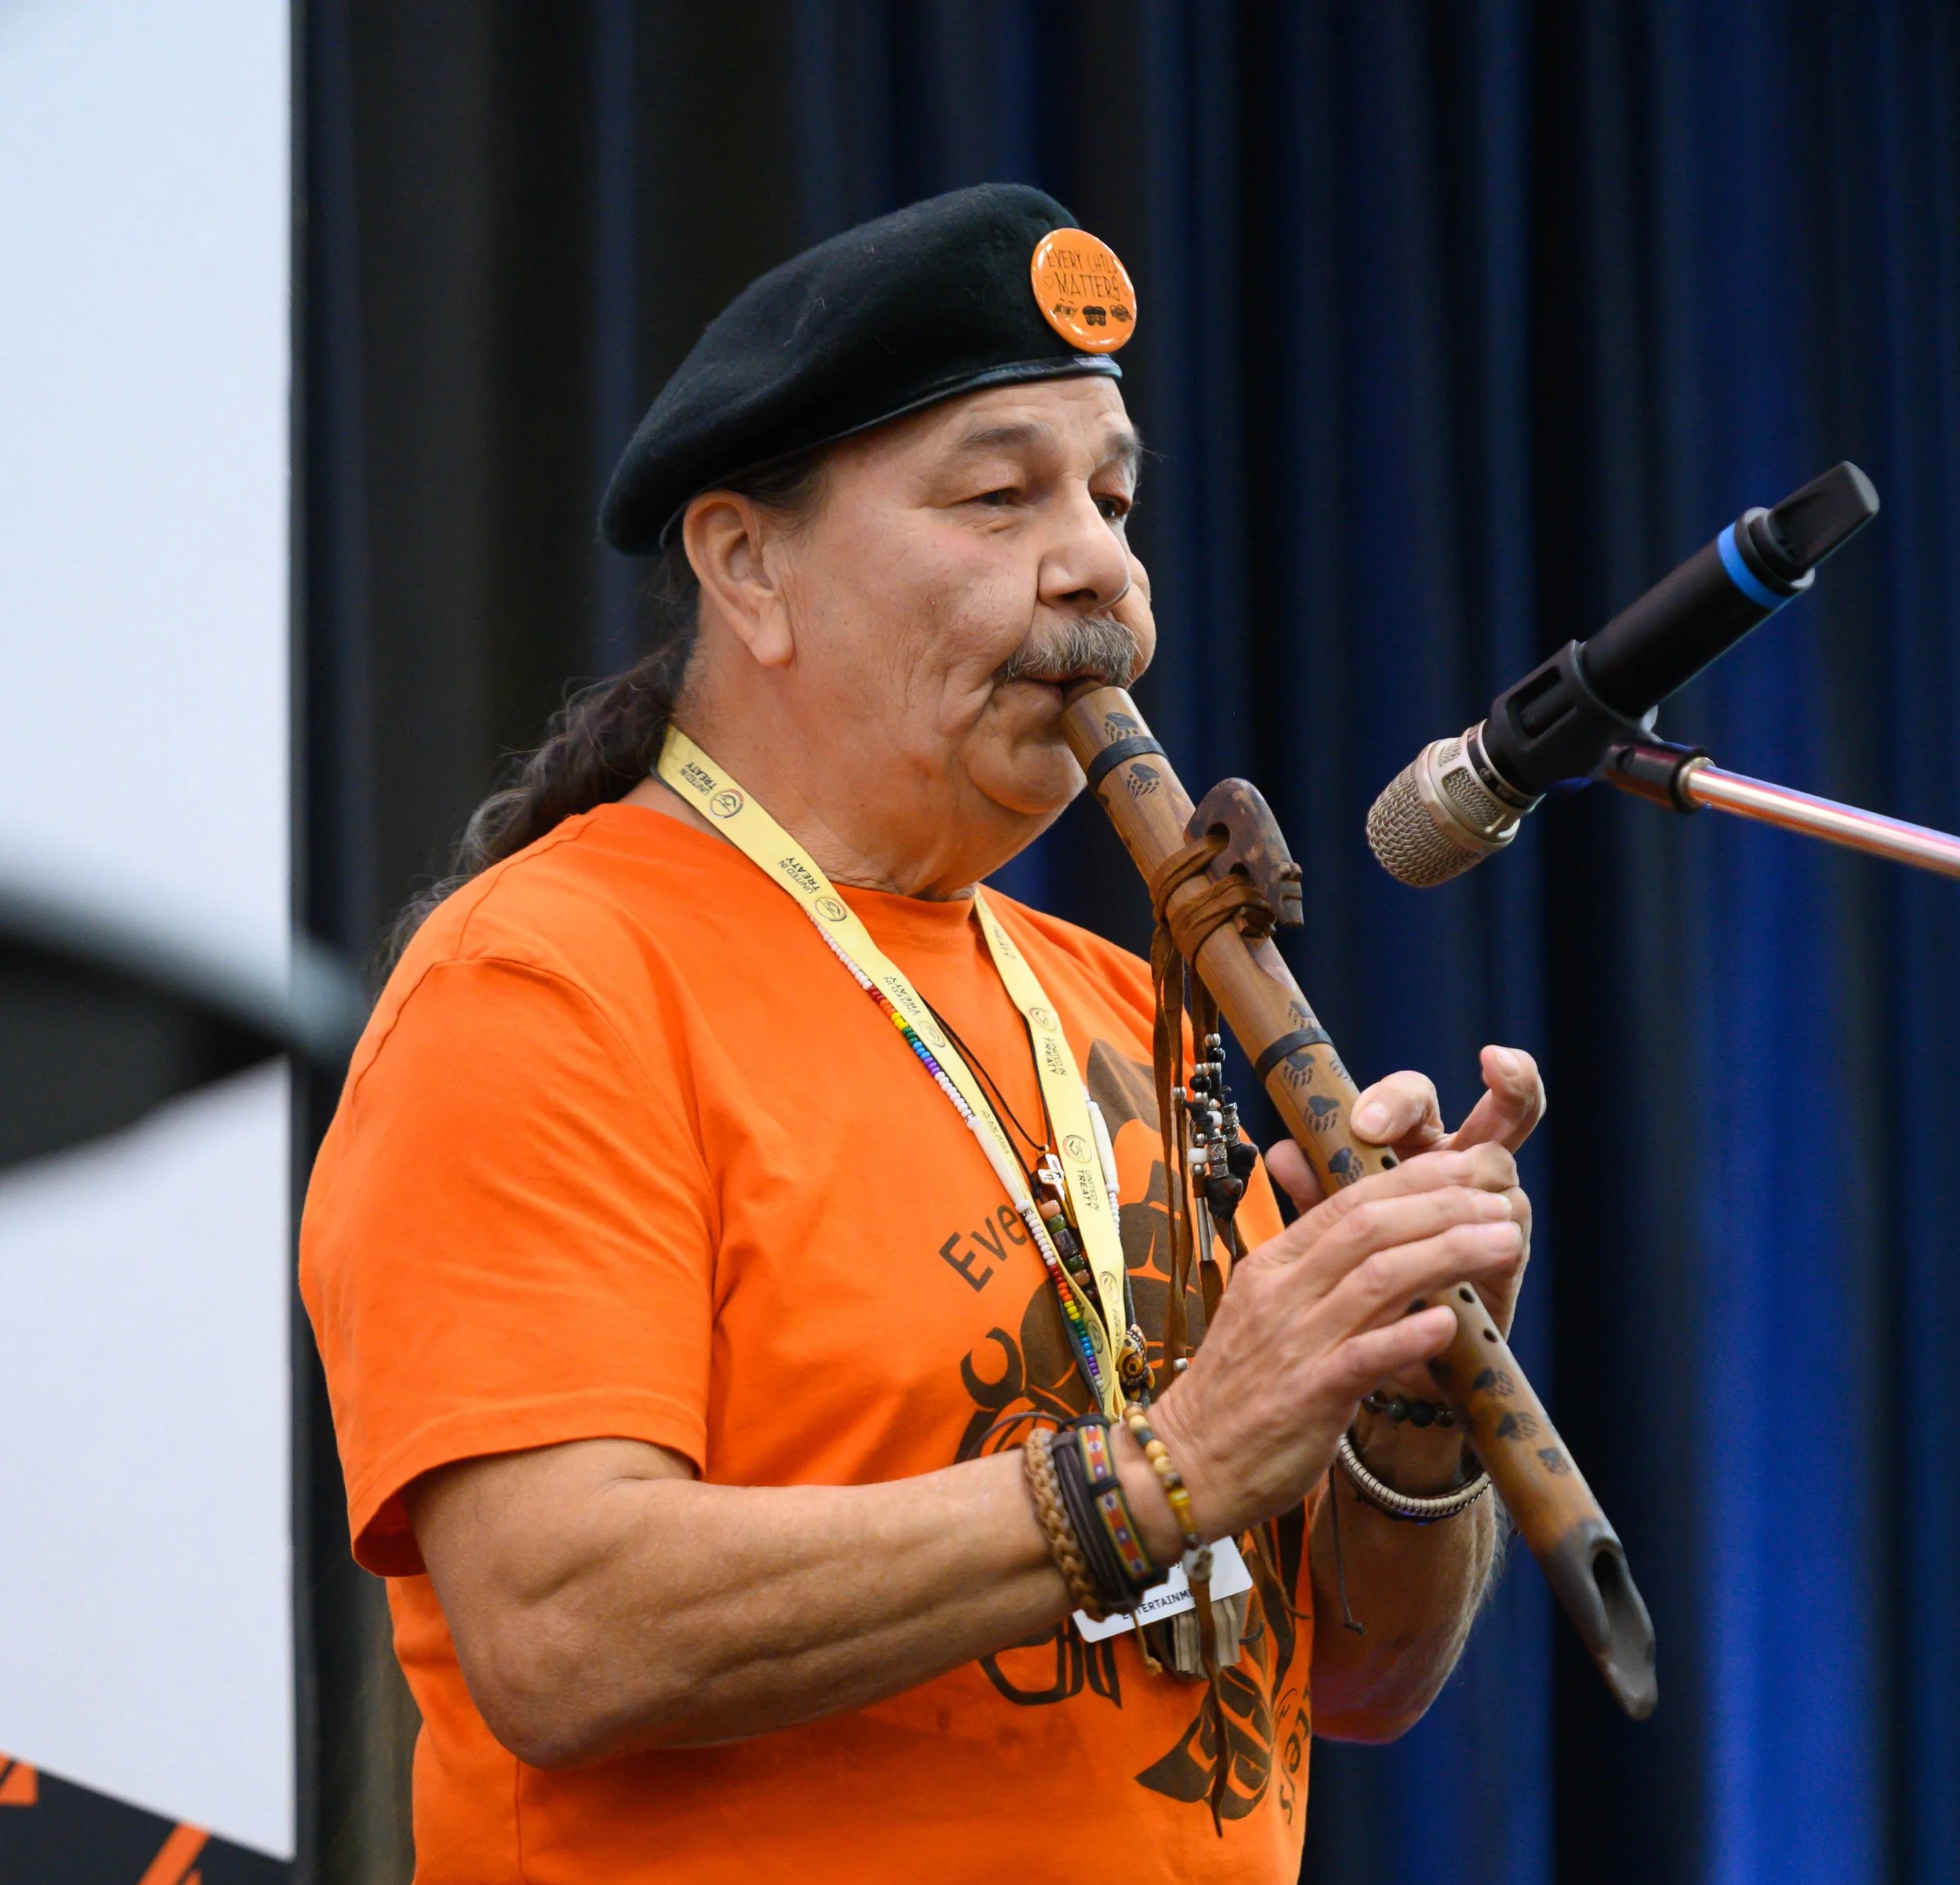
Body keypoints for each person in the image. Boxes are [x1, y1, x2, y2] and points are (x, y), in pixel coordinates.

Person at [301, 183, 1544, 1885]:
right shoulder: (543, 978)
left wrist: (1404, 1420)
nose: (1097, 561)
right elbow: (562, 1625)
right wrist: (1168, 1464)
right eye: (996, 496)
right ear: (747, 564)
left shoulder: (1120, 997)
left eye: (1111, 495)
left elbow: (1362, 1678)